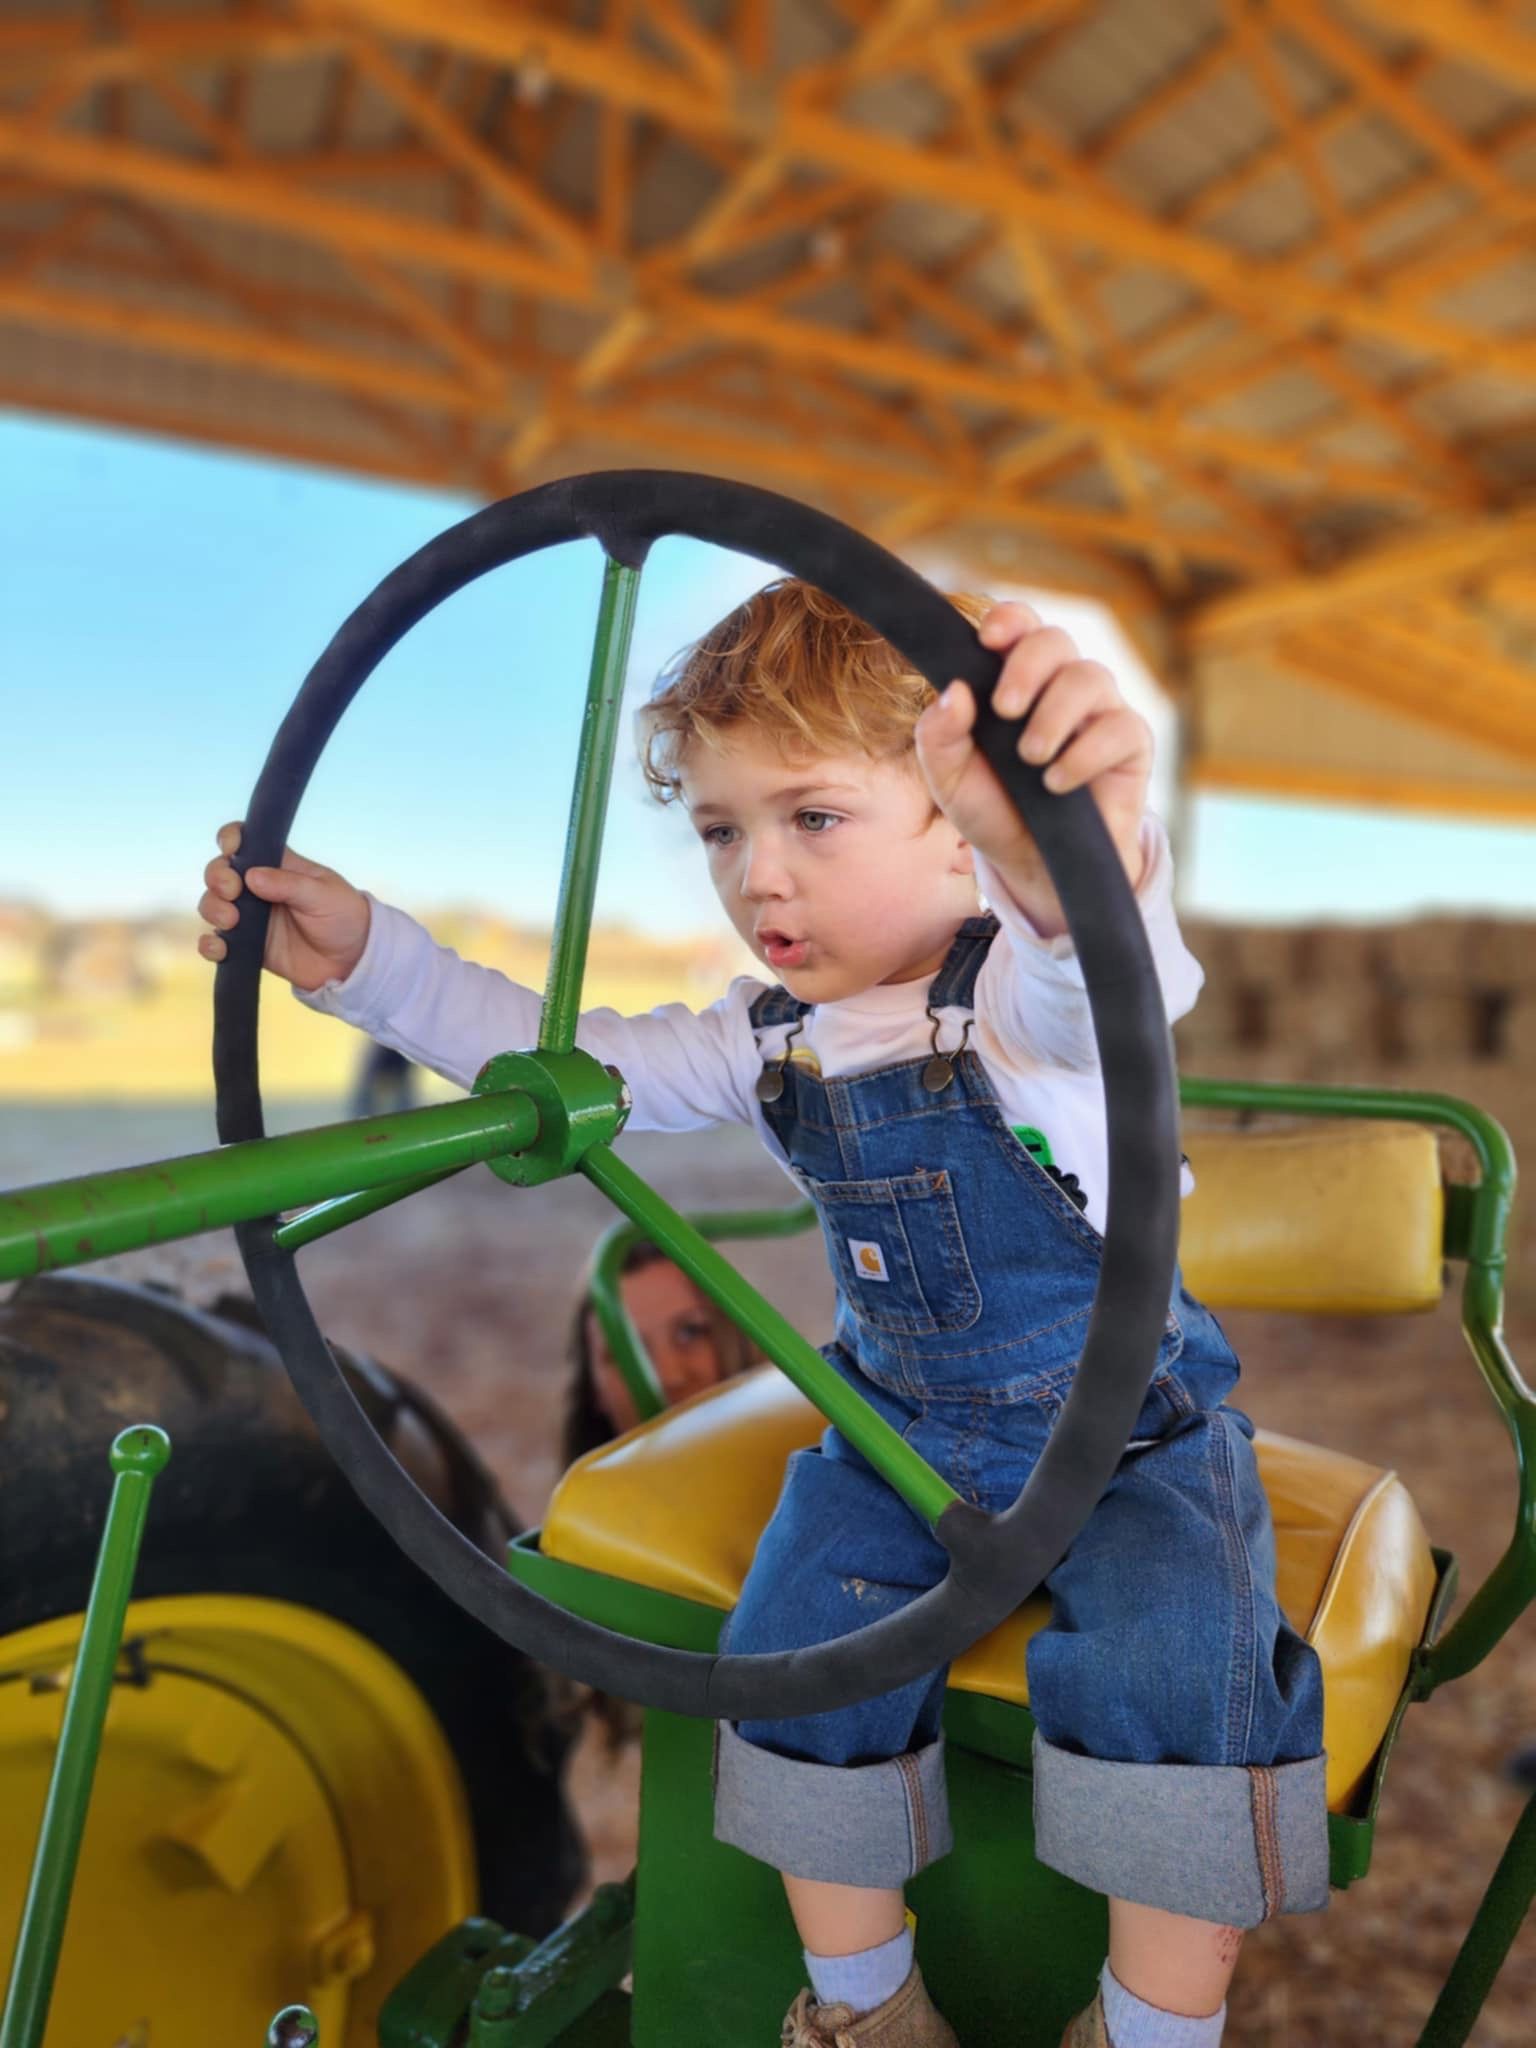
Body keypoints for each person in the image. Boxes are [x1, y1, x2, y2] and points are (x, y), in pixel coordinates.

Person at [196, 580, 1327, 2048]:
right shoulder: (764, 1034)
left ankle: (1151, 2028)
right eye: (724, 832)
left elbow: (1103, 971)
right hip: (893, 1426)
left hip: (1125, 1433)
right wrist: (366, 962)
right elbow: (561, 1063)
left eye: (812, 818)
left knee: (1179, 1672)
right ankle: (868, 2005)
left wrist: (1067, 841)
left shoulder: (1025, 1014)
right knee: (789, 1653)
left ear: (956, 819)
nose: (758, 881)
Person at [561, 1234, 761, 1467]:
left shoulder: (808, 1469)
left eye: (690, 1332)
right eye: (626, 1353)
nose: (669, 1377)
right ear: (596, 1390)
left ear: (738, 1339)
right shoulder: (580, 1501)